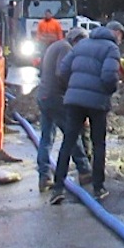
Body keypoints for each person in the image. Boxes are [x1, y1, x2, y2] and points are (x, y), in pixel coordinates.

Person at [49, 20, 124, 204]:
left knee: (68, 143)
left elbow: (62, 71)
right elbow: (108, 77)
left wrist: (73, 88)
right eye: (121, 36)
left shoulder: (81, 44)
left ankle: (58, 187)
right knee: (98, 144)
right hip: (97, 102)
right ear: (116, 33)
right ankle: (98, 188)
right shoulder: (111, 49)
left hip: (74, 101)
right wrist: (113, 87)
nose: (121, 41)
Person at [36, 27, 92, 192]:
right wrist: (73, 89)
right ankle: (84, 170)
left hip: (43, 96)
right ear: (76, 40)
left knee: (46, 138)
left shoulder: (55, 46)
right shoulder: (66, 48)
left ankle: (44, 176)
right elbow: (62, 73)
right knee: (71, 134)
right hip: (55, 98)